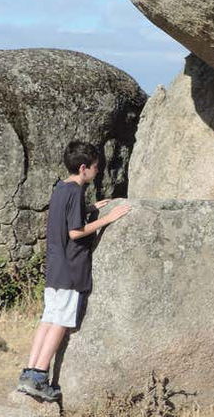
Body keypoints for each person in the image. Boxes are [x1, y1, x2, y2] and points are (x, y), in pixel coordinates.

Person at [16, 140, 130, 401]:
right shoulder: (76, 192)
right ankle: (40, 377)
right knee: (60, 323)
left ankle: (29, 373)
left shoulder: (60, 189)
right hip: (70, 268)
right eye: (95, 167)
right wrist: (107, 219)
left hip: (56, 267)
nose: (97, 171)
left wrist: (90, 208)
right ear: (83, 168)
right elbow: (75, 231)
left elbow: (64, 215)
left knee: (47, 320)